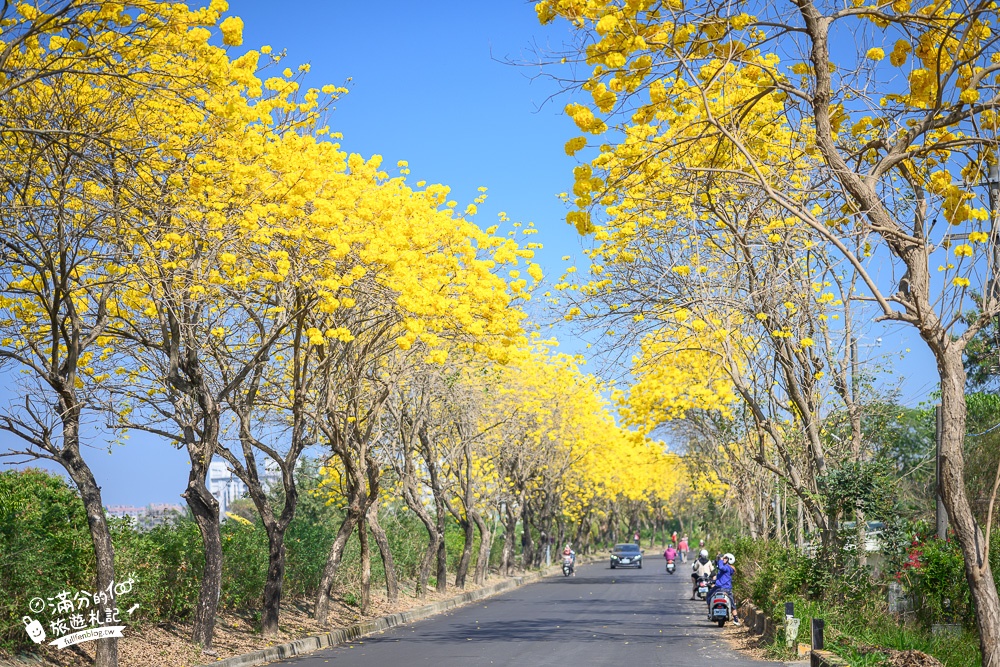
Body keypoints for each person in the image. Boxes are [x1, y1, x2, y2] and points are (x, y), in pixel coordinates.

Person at [708, 552, 740, 625]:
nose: (723, 559)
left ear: (728, 560)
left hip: (719, 588)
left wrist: (721, 560)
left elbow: (720, 567)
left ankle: (710, 613)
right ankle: (736, 619)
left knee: (709, 597)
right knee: (732, 603)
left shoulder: (726, 568)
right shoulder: (731, 569)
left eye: (725, 558)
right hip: (728, 589)